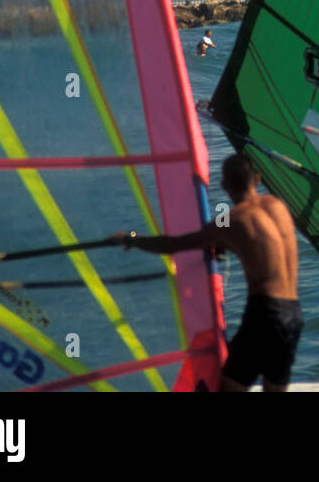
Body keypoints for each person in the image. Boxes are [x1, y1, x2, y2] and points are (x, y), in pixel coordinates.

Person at [120, 154, 301, 392]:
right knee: (274, 388)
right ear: (257, 179)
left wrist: (131, 239)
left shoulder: (231, 220)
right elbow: (258, 243)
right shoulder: (278, 206)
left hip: (265, 313)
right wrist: (222, 244)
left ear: (224, 185)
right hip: (294, 314)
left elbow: (174, 244)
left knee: (229, 386)